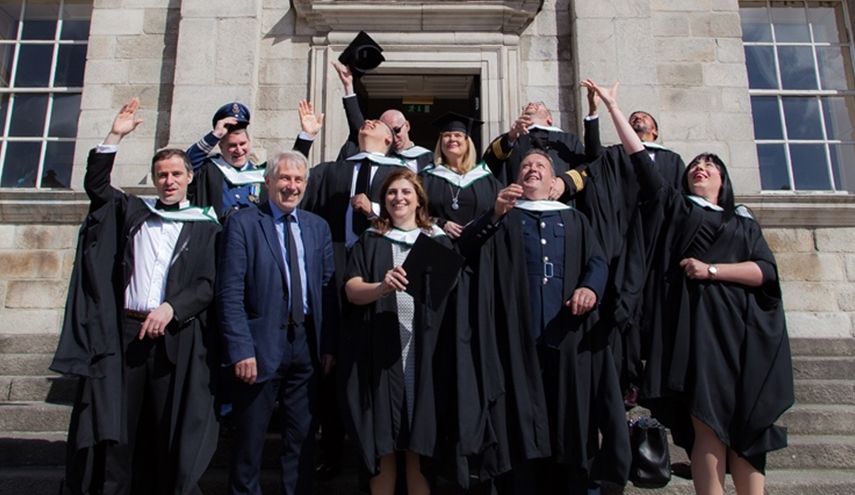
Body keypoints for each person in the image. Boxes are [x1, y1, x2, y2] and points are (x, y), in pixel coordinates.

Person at [588, 80, 794, 495]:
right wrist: (612, 107)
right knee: (707, 424)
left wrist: (712, 270)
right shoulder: (676, 208)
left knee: (750, 428)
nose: (700, 168)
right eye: (695, 165)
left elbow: (764, 273)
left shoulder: (742, 222)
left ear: (723, 180)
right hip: (695, 331)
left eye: (710, 166)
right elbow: (642, 162)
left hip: (742, 331)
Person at [51, 98, 220, 494]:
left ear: (190, 177)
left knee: (166, 428)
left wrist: (172, 307)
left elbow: (208, 283)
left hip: (174, 340)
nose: (169, 181)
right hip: (127, 335)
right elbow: (96, 187)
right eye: (162, 174)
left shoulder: (206, 226)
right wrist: (115, 136)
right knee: (118, 430)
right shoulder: (133, 212)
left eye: (177, 173)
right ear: (154, 178)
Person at [456, 150, 630, 494]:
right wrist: (494, 212)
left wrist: (589, 287)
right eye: (525, 166)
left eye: (540, 166)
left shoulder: (575, 219)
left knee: (570, 417)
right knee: (520, 421)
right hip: (516, 339)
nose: (532, 169)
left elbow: (598, 260)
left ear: (554, 182)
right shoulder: (503, 216)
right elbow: (465, 247)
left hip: (568, 337)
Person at [217, 151, 339, 495]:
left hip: (307, 347)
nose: (291, 186)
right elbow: (230, 292)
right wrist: (240, 349)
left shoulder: (318, 227)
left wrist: (328, 344)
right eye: (284, 178)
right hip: (257, 347)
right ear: (268, 182)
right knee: (249, 444)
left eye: (298, 180)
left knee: (300, 442)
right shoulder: (243, 224)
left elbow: (327, 291)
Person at [342, 168, 453, 495]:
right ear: (383, 200)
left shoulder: (438, 241)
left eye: (406, 192)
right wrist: (381, 287)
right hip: (381, 352)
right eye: (392, 193)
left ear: (419, 199)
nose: (398, 198)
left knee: (418, 452)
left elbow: (451, 300)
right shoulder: (371, 240)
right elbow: (351, 289)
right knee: (385, 447)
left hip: (424, 353)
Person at [186, 100, 324, 220]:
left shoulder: (262, 173)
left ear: (249, 142)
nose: (239, 150)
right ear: (221, 146)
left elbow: (291, 166)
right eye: (232, 146)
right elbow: (186, 165)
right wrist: (214, 135)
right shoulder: (209, 170)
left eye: (243, 144)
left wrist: (306, 136)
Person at [331, 60, 433, 171]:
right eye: (388, 132)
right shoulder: (379, 155)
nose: (394, 137)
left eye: (397, 130)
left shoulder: (426, 158)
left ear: (407, 126)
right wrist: (348, 86)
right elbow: (358, 127)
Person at [482, 101, 598, 187]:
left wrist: (565, 182)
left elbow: (588, 167)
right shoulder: (510, 140)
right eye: (525, 106)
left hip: (561, 207)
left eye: (539, 104)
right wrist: (510, 137)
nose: (531, 103)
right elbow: (487, 165)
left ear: (549, 119)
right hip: (518, 209)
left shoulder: (568, 141)